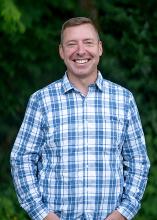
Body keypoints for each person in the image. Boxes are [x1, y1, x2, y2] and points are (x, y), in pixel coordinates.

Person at [10, 17, 150, 220]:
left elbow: (138, 162)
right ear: (61, 52)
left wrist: (122, 213)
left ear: (100, 48)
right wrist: (43, 215)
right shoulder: (41, 101)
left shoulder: (124, 99)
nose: (80, 51)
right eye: (71, 44)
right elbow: (21, 159)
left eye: (88, 42)